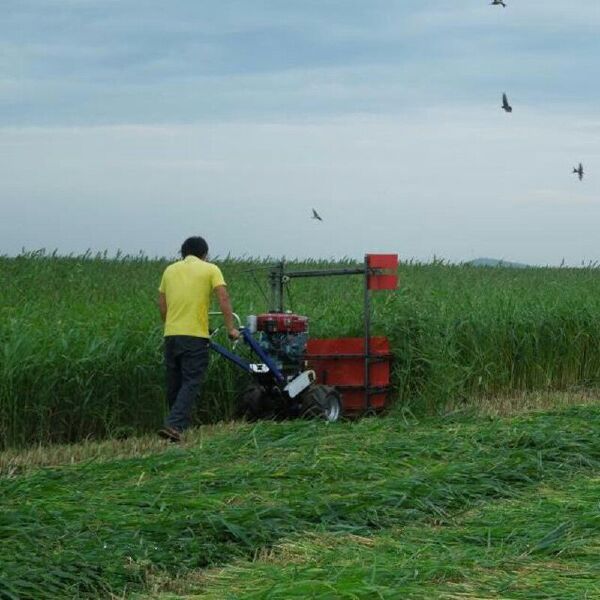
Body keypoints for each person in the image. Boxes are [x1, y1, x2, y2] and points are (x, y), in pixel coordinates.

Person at [157, 236, 239, 442]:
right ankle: (174, 424)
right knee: (191, 381)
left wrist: (172, 323)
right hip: (194, 336)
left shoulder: (169, 270)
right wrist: (231, 329)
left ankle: (175, 429)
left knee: (174, 382)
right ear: (205, 254)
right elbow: (223, 297)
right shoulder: (210, 269)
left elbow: (162, 304)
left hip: (171, 334)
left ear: (183, 253)